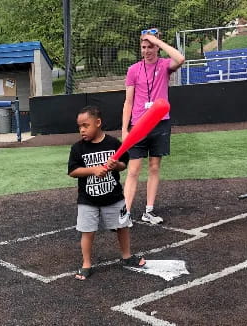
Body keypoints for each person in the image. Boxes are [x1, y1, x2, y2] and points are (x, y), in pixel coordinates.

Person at [68, 105, 145, 281]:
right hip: (87, 199)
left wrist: (115, 165)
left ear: (98, 122)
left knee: (122, 226)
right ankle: (86, 264)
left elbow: (123, 164)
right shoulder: (78, 148)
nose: (82, 130)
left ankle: (126, 256)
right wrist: (93, 170)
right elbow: (72, 171)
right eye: (79, 126)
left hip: (114, 197)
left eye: (86, 125)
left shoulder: (113, 144)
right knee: (87, 231)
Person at [122, 28, 185, 225]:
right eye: (144, 46)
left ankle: (148, 211)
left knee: (154, 167)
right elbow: (128, 102)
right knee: (133, 170)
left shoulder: (165, 65)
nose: (147, 50)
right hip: (139, 125)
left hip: (160, 123)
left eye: (150, 46)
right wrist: (124, 130)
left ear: (157, 47)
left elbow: (180, 58)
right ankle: (125, 214)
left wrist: (157, 41)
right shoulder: (133, 70)